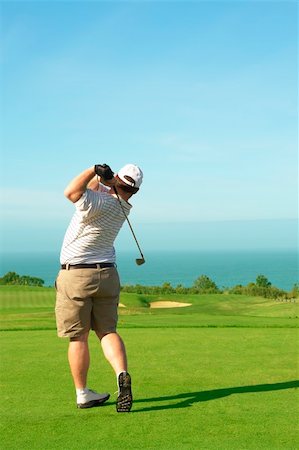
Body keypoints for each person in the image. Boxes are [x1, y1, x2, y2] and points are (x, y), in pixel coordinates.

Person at [55, 163, 143, 412]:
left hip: (77, 275)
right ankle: (121, 373)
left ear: (118, 180)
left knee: (78, 336)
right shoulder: (123, 206)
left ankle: (83, 393)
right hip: (107, 274)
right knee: (107, 331)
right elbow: (97, 191)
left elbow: (71, 192)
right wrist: (106, 180)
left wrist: (93, 170)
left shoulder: (98, 202)